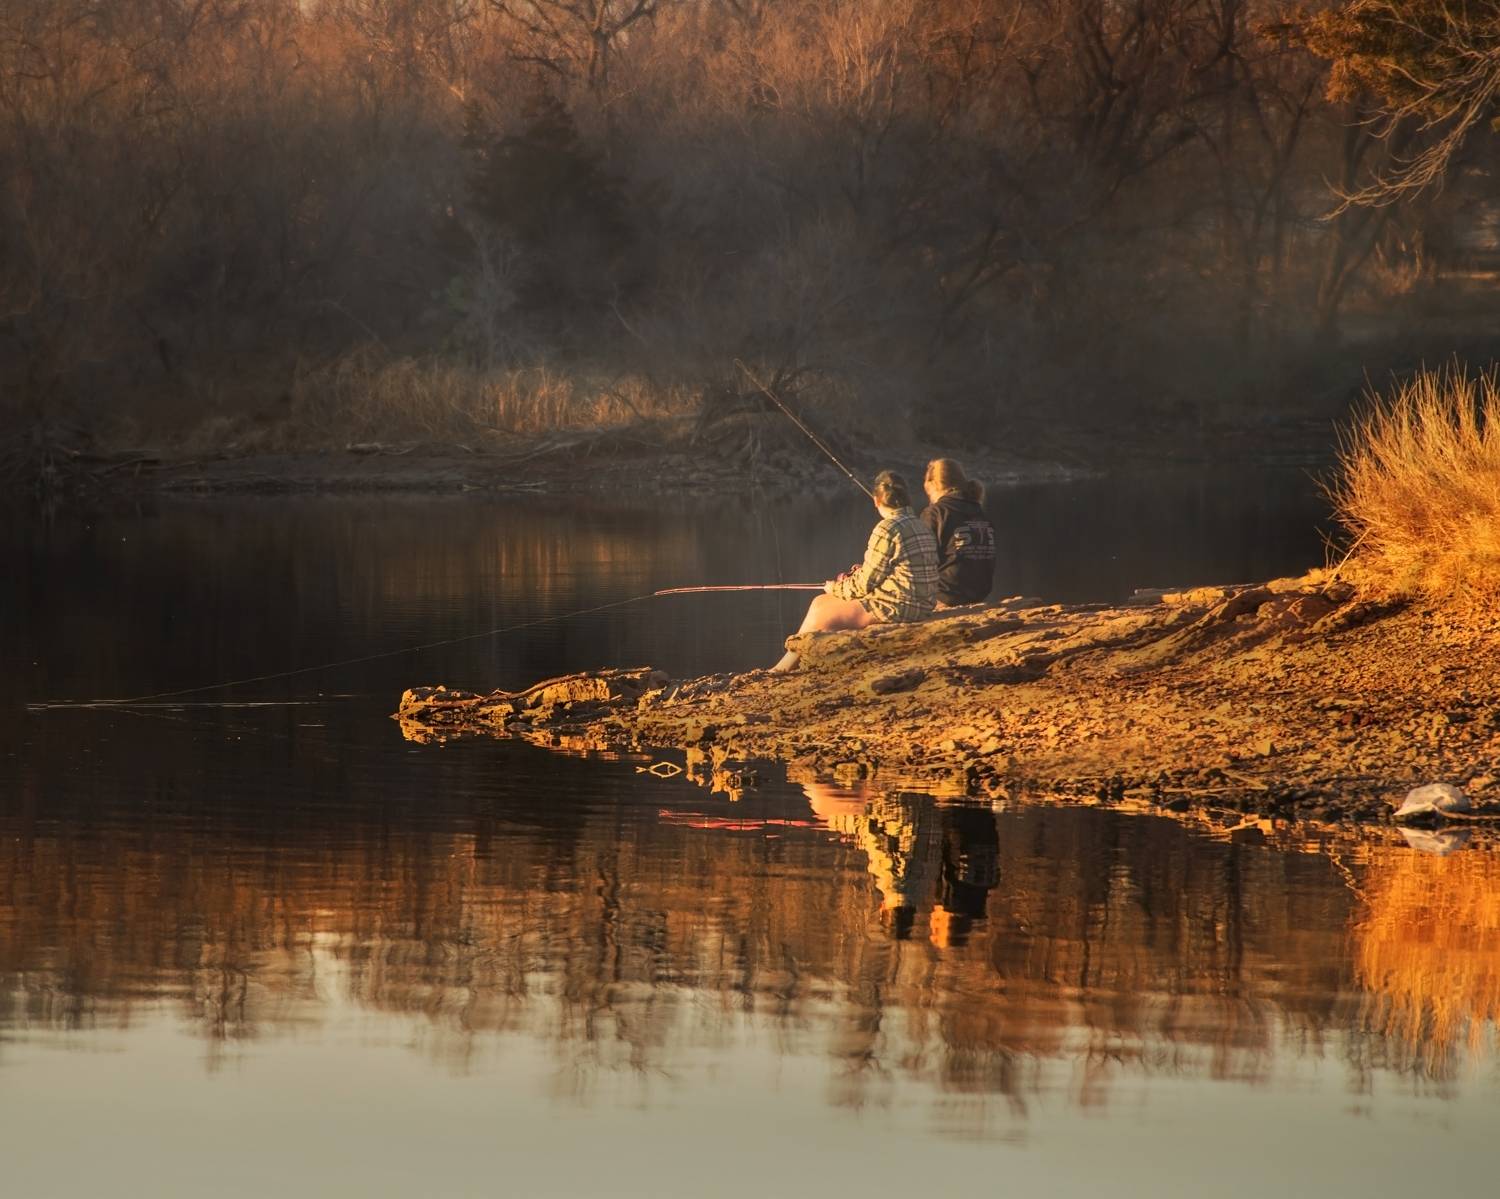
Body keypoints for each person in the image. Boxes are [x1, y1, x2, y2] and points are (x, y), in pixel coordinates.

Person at [770, 470, 938, 673]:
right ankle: (792, 664)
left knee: (819, 608)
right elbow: (898, 570)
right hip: (923, 604)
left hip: (900, 608)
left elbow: (864, 584)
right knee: (821, 603)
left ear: (876, 500)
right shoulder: (920, 524)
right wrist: (859, 574)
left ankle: (784, 667)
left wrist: (835, 588)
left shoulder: (887, 528)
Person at [920, 458, 995, 608]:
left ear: (934, 485)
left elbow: (920, 560)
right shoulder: (978, 510)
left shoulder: (935, 513)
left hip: (945, 594)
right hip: (979, 593)